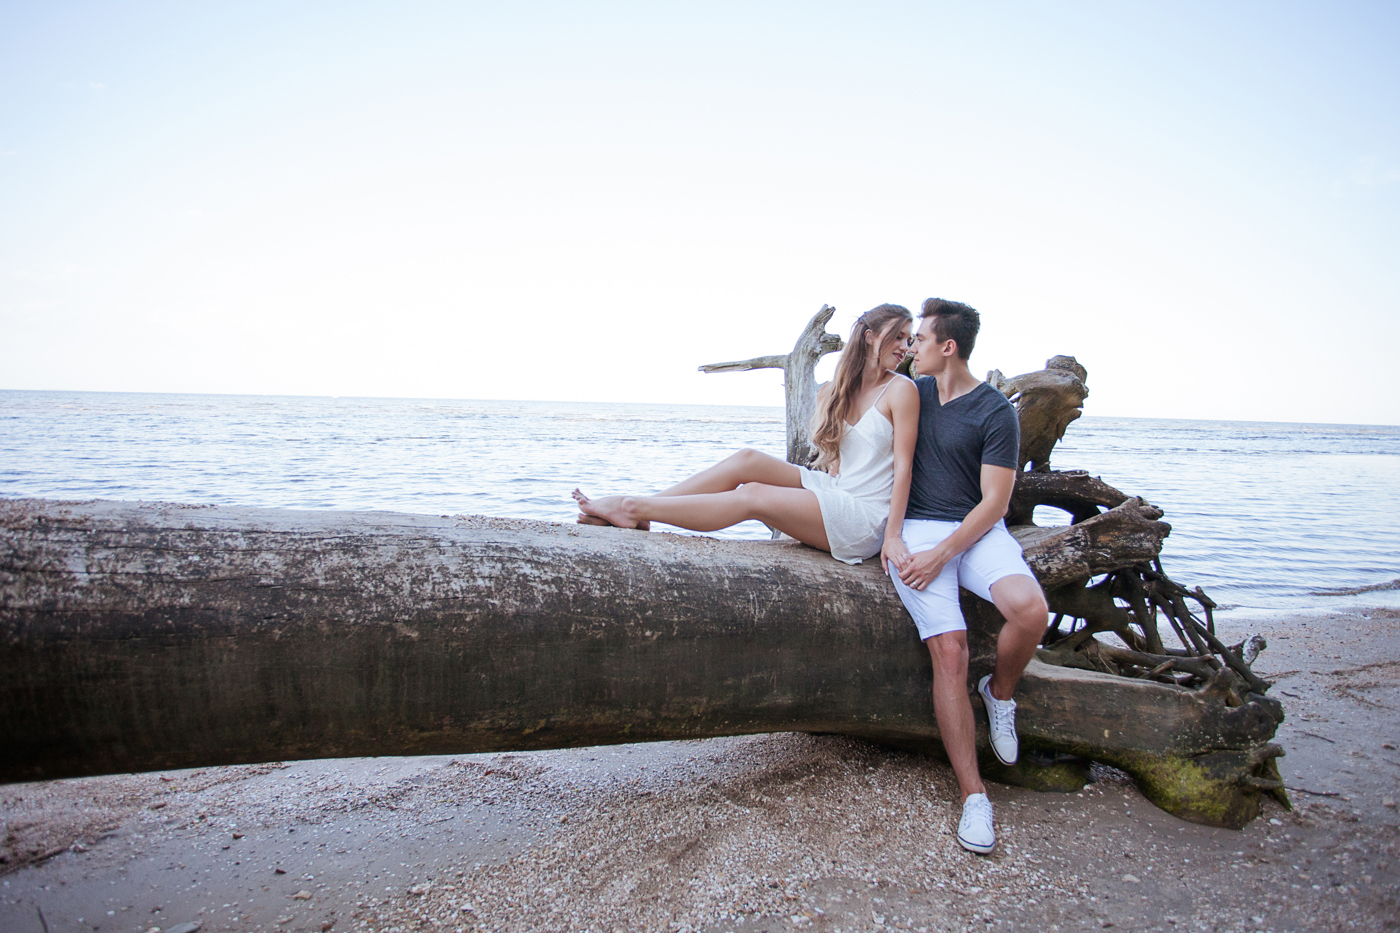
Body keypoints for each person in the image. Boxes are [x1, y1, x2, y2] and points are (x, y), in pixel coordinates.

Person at [886, 298, 1050, 855]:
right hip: (917, 530)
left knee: (1031, 611)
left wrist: (944, 555)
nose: (911, 348)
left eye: (921, 339)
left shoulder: (994, 411)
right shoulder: (912, 392)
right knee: (950, 652)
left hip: (975, 531)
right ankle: (974, 796)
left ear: (947, 347)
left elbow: (995, 503)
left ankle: (999, 693)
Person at [574, 304, 920, 567]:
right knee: (747, 460)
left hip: (865, 518)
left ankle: (631, 506)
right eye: (899, 335)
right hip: (839, 492)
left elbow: (904, 469)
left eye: (910, 338)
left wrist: (892, 537)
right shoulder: (836, 390)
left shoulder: (901, 390)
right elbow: (843, 462)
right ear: (869, 335)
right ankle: (646, 511)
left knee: (754, 495)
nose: (906, 346)